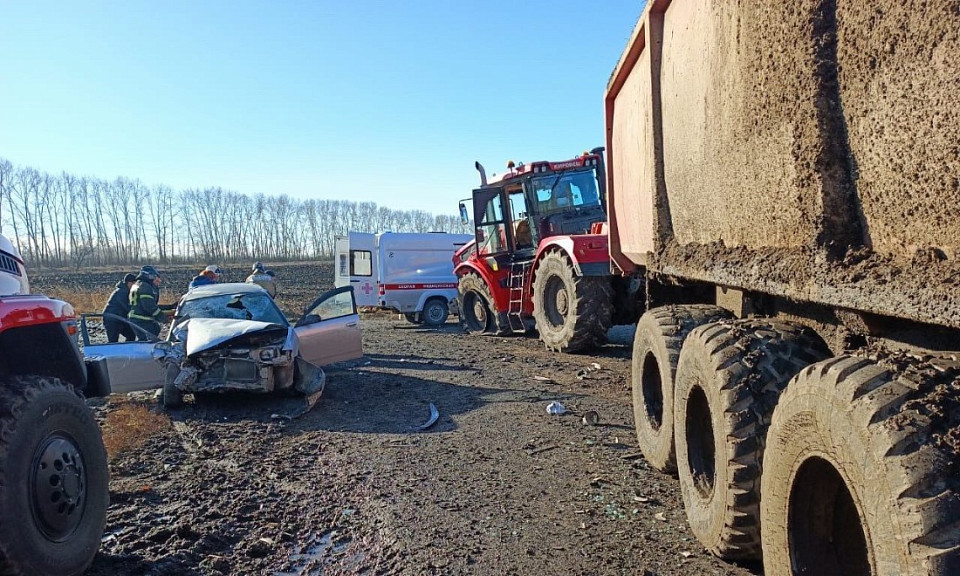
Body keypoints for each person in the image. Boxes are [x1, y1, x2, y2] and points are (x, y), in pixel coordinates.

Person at [127, 265, 168, 340]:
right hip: (142, 319)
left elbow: (150, 304)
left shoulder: (138, 284)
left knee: (156, 329)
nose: (158, 281)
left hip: (137, 318)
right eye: (156, 278)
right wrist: (163, 318)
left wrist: (170, 306)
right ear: (149, 276)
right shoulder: (145, 286)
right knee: (148, 341)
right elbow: (149, 306)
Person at [102, 273, 137, 342]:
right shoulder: (121, 292)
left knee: (131, 335)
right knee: (113, 340)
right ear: (129, 283)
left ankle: (127, 350)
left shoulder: (128, 292)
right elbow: (127, 307)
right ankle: (112, 352)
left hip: (120, 319)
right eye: (134, 283)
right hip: (111, 319)